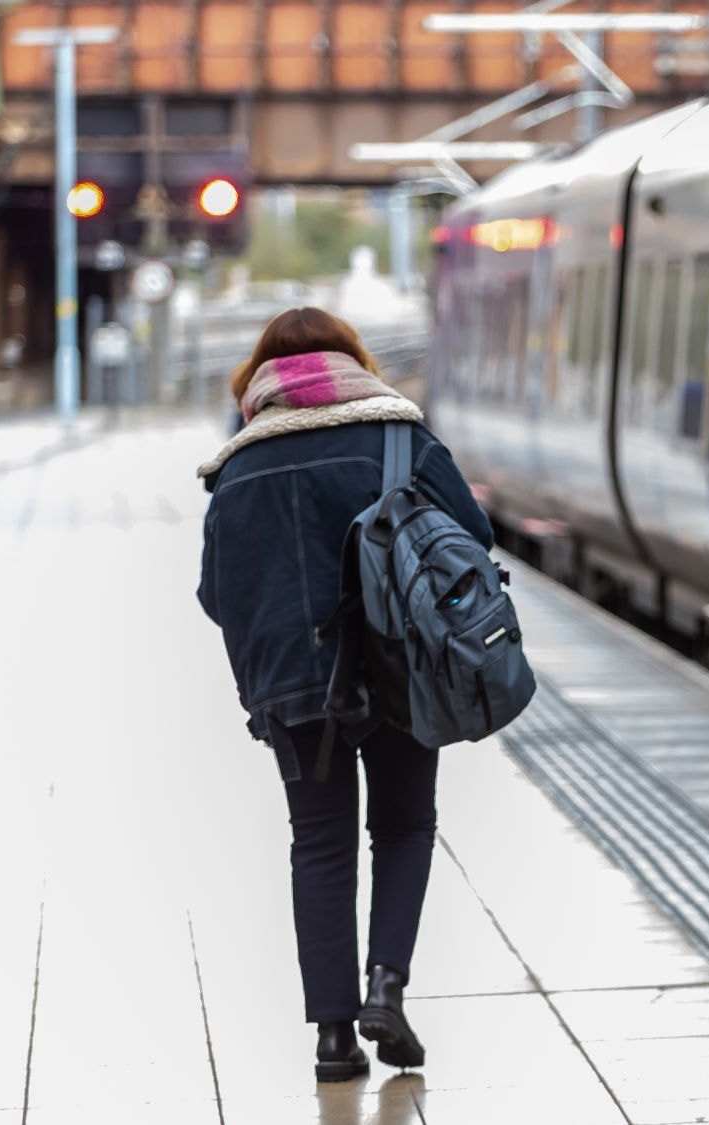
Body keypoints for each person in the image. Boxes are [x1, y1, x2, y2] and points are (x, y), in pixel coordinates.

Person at [195, 308, 494, 1082]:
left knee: (318, 842)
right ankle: (385, 988)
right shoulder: (400, 438)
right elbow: (473, 535)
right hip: (401, 669)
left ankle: (333, 1038)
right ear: (352, 364)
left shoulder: (236, 468)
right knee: (402, 827)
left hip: (293, 685)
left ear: (260, 379)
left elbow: (213, 592)